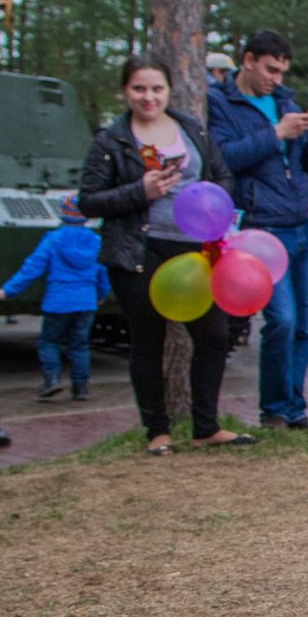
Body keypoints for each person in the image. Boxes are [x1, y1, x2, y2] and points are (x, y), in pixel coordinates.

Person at [78, 60, 251, 457]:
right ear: (125, 91)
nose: (148, 97)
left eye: (156, 89)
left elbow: (223, 176)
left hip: (195, 249)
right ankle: (157, 431)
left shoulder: (191, 128)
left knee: (213, 335)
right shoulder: (111, 140)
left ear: (169, 91)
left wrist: (208, 199)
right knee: (147, 340)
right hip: (138, 250)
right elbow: (88, 199)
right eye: (139, 89)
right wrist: (140, 191)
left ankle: (206, 426)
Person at [206, 30, 308, 430]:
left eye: (281, 71)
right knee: (280, 319)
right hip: (263, 229)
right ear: (248, 60)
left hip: (303, 223)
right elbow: (222, 158)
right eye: (270, 69)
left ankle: (295, 408)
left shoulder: (285, 102)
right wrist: (275, 133)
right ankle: (273, 409)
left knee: (303, 326)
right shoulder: (220, 103)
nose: (276, 78)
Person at [0, 195, 109, 399]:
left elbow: (33, 268)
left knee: (49, 341)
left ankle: (51, 380)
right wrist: (101, 295)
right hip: (86, 300)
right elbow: (102, 273)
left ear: (63, 214)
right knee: (79, 345)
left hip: (58, 300)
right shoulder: (96, 241)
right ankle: (81, 389)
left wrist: (8, 290)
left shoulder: (53, 240)